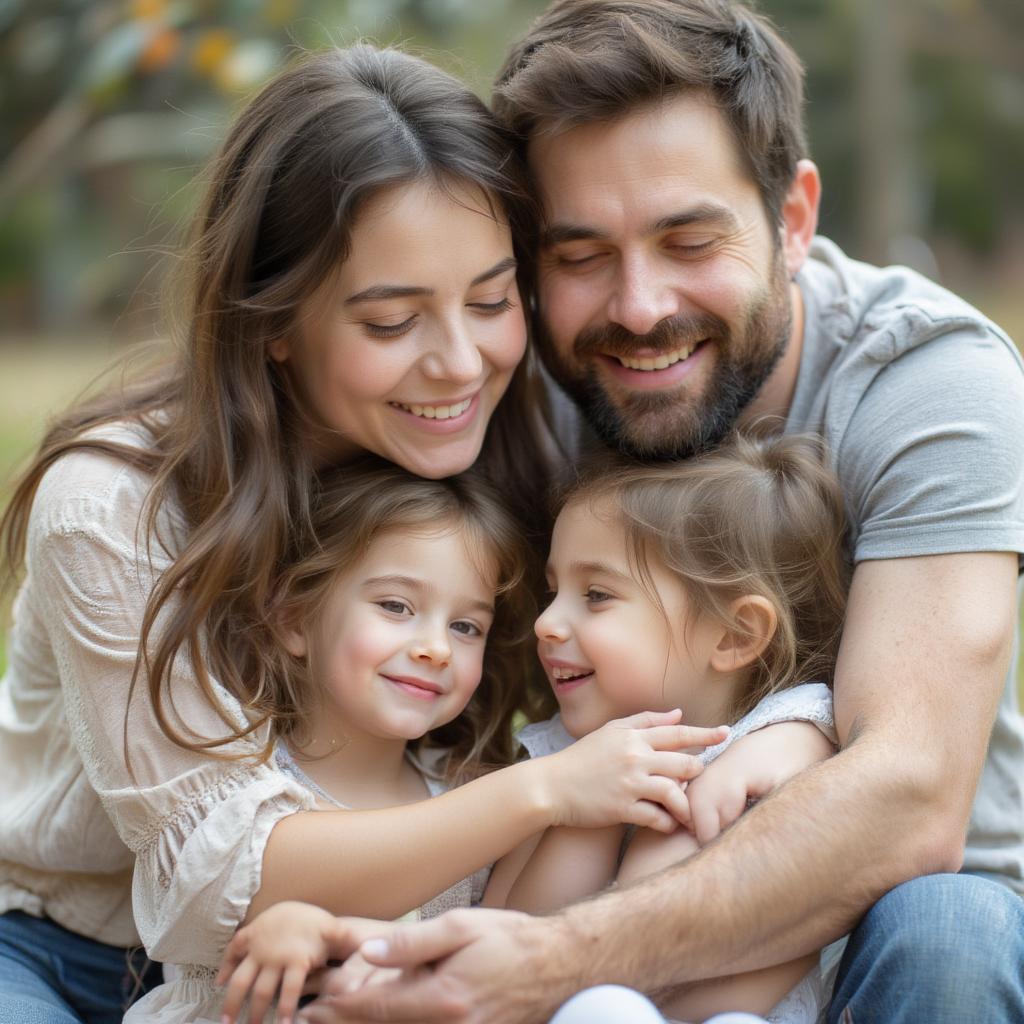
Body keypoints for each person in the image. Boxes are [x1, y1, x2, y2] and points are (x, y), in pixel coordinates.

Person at [302, 3, 1024, 1023]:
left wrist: (549, 965)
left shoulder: (928, 383)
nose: (638, 308)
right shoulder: (509, 377)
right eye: (582, 254)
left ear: (793, 218)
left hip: (875, 928)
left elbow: (905, 800)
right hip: (570, 892)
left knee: (949, 930)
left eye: (688, 238)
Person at [0, 42, 552, 1023]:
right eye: (392, 322)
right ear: (274, 321)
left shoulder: (488, 464)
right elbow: (218, 886)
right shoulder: (112, 503)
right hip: (52, 949)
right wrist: (547, 793)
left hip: (333, 944)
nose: (462, 362)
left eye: (492, 299)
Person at [126, 458, 723, 1023]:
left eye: (465, 626)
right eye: (395, 606)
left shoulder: (474, 794)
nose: (435, 647)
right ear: (292, 617)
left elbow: (508, 954)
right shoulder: (244, 785)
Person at [502, 434, 846, 1024]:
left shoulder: (786, 753)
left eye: (596, 595)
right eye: (553, 590)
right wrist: (595, 803)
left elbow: (733, 984)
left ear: (735, 636)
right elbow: (513, 952)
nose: (546, 622)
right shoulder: (559, 757)